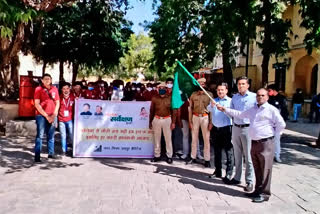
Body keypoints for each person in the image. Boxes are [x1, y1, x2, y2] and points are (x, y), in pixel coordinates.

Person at [217, 88, 286, 203]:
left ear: (267, 97)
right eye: (258, 95)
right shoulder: (253, 109)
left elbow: (281, 124)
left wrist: (273, 135)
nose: (260, 97)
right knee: (257, 168)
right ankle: (257, 190)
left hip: (266, 143)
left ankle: (265, 194)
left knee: (265, 169)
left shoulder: (271, 109)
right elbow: (240, 114)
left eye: (263, 95)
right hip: (254, 142)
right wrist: (225, 109)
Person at [225, 76, 256, 193]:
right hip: (236, 128)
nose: (241, 86)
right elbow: (231, 114)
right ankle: (237, 177)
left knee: (248, 157)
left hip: (248, 129)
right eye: (239, 84)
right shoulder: (234, 98)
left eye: (243, 84)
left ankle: (249, 181)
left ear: (248, 85)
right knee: (237, 155)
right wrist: (225, 110)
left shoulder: (253, 97)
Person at [207, 82, 234, 179]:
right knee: (217, 151)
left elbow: (233, 115)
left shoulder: (231, 101)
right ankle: (217, 171)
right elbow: (208, 109)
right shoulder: (214, 100)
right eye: (218, 90)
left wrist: (224, 109)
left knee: (228, 151)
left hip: (226, 128)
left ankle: (229, 173)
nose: (220, 91)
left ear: (226, 91)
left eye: (222, 90)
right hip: (215, 129)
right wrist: (212, 105)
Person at [34, 73, 60, 162]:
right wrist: (46, 116)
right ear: (42, 80)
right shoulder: (38, 89)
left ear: (51, 80)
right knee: (40, 136)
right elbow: (37, 104)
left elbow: (57, 103)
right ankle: (37, 156)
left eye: (49, 79)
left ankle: (51, 154)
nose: (47, 80)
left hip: (52, 115)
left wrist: (54, 115)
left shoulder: (55, 89)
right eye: (45, 79)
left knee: (51, 135)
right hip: (41, 115)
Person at [187, 78, 213, 168]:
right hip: (195, 117)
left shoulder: (209, 95)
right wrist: (190, 121)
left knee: (206, 139)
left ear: (205, 84)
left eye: (202, 83)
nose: (201, 85)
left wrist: (211, 122)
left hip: (205, 117)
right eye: (199, 83)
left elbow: (212, 110)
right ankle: (193, 157)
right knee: (194, 138)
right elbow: (190, 109)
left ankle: (207, 159)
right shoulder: (193, 95)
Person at [149, 82, 175, 164]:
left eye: (163, 88)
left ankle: (169, 156)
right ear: (158, 89)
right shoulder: (154, 98)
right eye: (160, 88)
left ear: (166, 89)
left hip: (167, 119)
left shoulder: (170, 98)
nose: (162, 90)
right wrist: (150, 121)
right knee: (157, 138)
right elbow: (152, 110)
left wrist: (173, 122)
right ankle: (157, 155)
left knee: (168, 138)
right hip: (156, 119)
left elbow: (173, 111)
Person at [267, 84, 288, 163]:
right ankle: (268, 155)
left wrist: (283, 123)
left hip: (278, 123)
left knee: (277, 139)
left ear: (274, 90)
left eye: (269, 91)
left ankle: (277, 155)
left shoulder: (282, 99)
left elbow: (285, 112)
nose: (268, 92)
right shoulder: (268, 99)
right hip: (269, 123)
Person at [58, 82, 74, 156]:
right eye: (64, 89)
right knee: (63, 136)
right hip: (61, 120)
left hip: (70, 119)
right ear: (61, 90)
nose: (66, 90)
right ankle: (64, 150)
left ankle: (74, 150)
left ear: (70, 89)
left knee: (71, 135)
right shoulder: (59, 98)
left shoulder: (73, 97)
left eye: (67, 88)